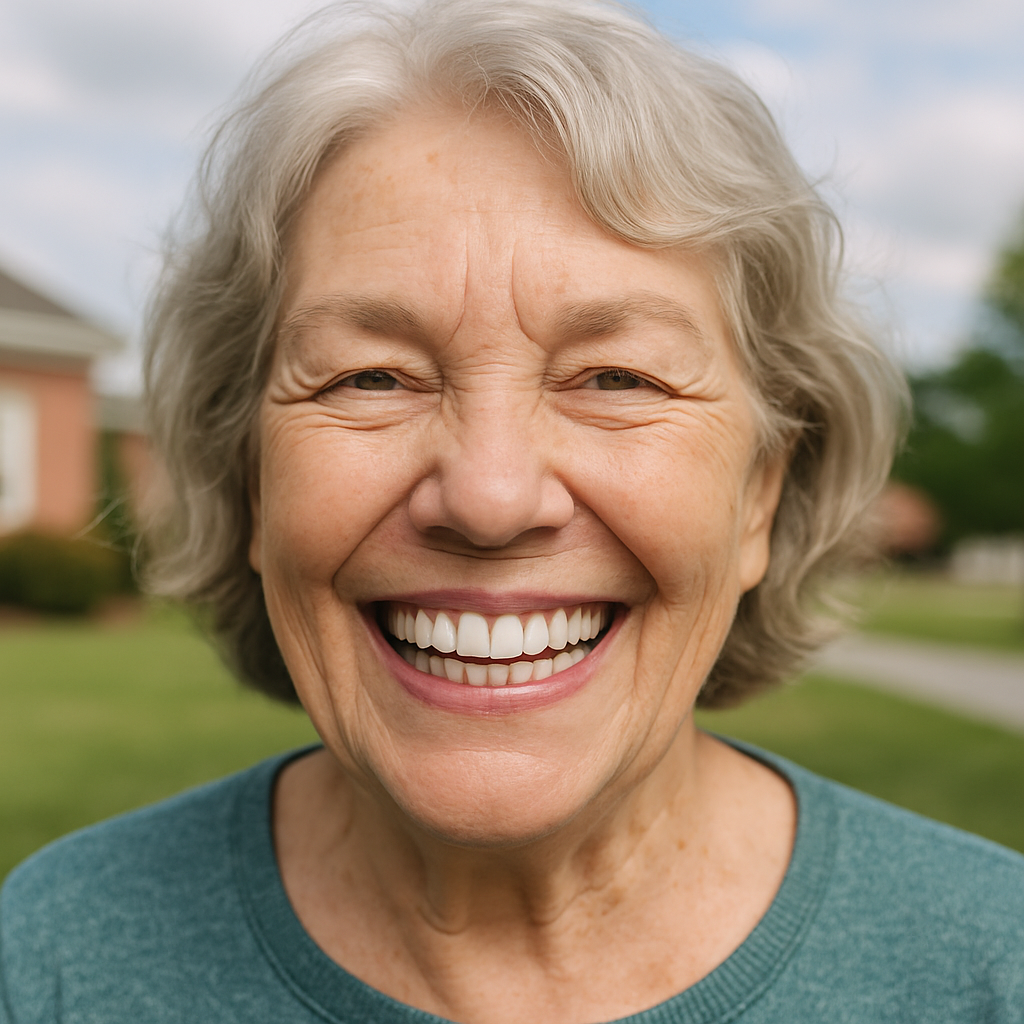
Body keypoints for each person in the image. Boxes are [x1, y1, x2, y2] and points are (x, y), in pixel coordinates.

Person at [2, 1, 1023, 1020]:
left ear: (759, 493)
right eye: (371, 378)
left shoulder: (989, 971)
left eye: (617, 377)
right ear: (250, 479)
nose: (490, 498)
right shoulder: (52, 960)